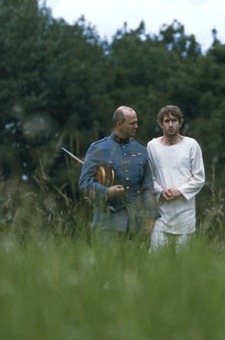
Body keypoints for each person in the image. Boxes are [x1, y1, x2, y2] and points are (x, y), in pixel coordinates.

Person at [78, 106, 156, 244]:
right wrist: (106, 191)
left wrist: (151, 217)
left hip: (135, 226)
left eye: (136, 122)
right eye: (132, 123)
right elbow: (84, 183)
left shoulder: (141, 150)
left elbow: (148, 187)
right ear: (119, 124)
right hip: (107, 224)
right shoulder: (98, 148)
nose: (136, 126)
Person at [147, 105, 205, 251]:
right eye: (167, 121)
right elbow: (149, 177)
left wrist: (179, 191)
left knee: (183, 261)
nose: (170, 125)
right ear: (161, 124)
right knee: (156, 258)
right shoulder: (152, 146)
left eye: (174, 120)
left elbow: (199, 178)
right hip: (161, 215)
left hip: (185, 215)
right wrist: (160, 191)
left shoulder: (191, 145)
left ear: (180, 123)